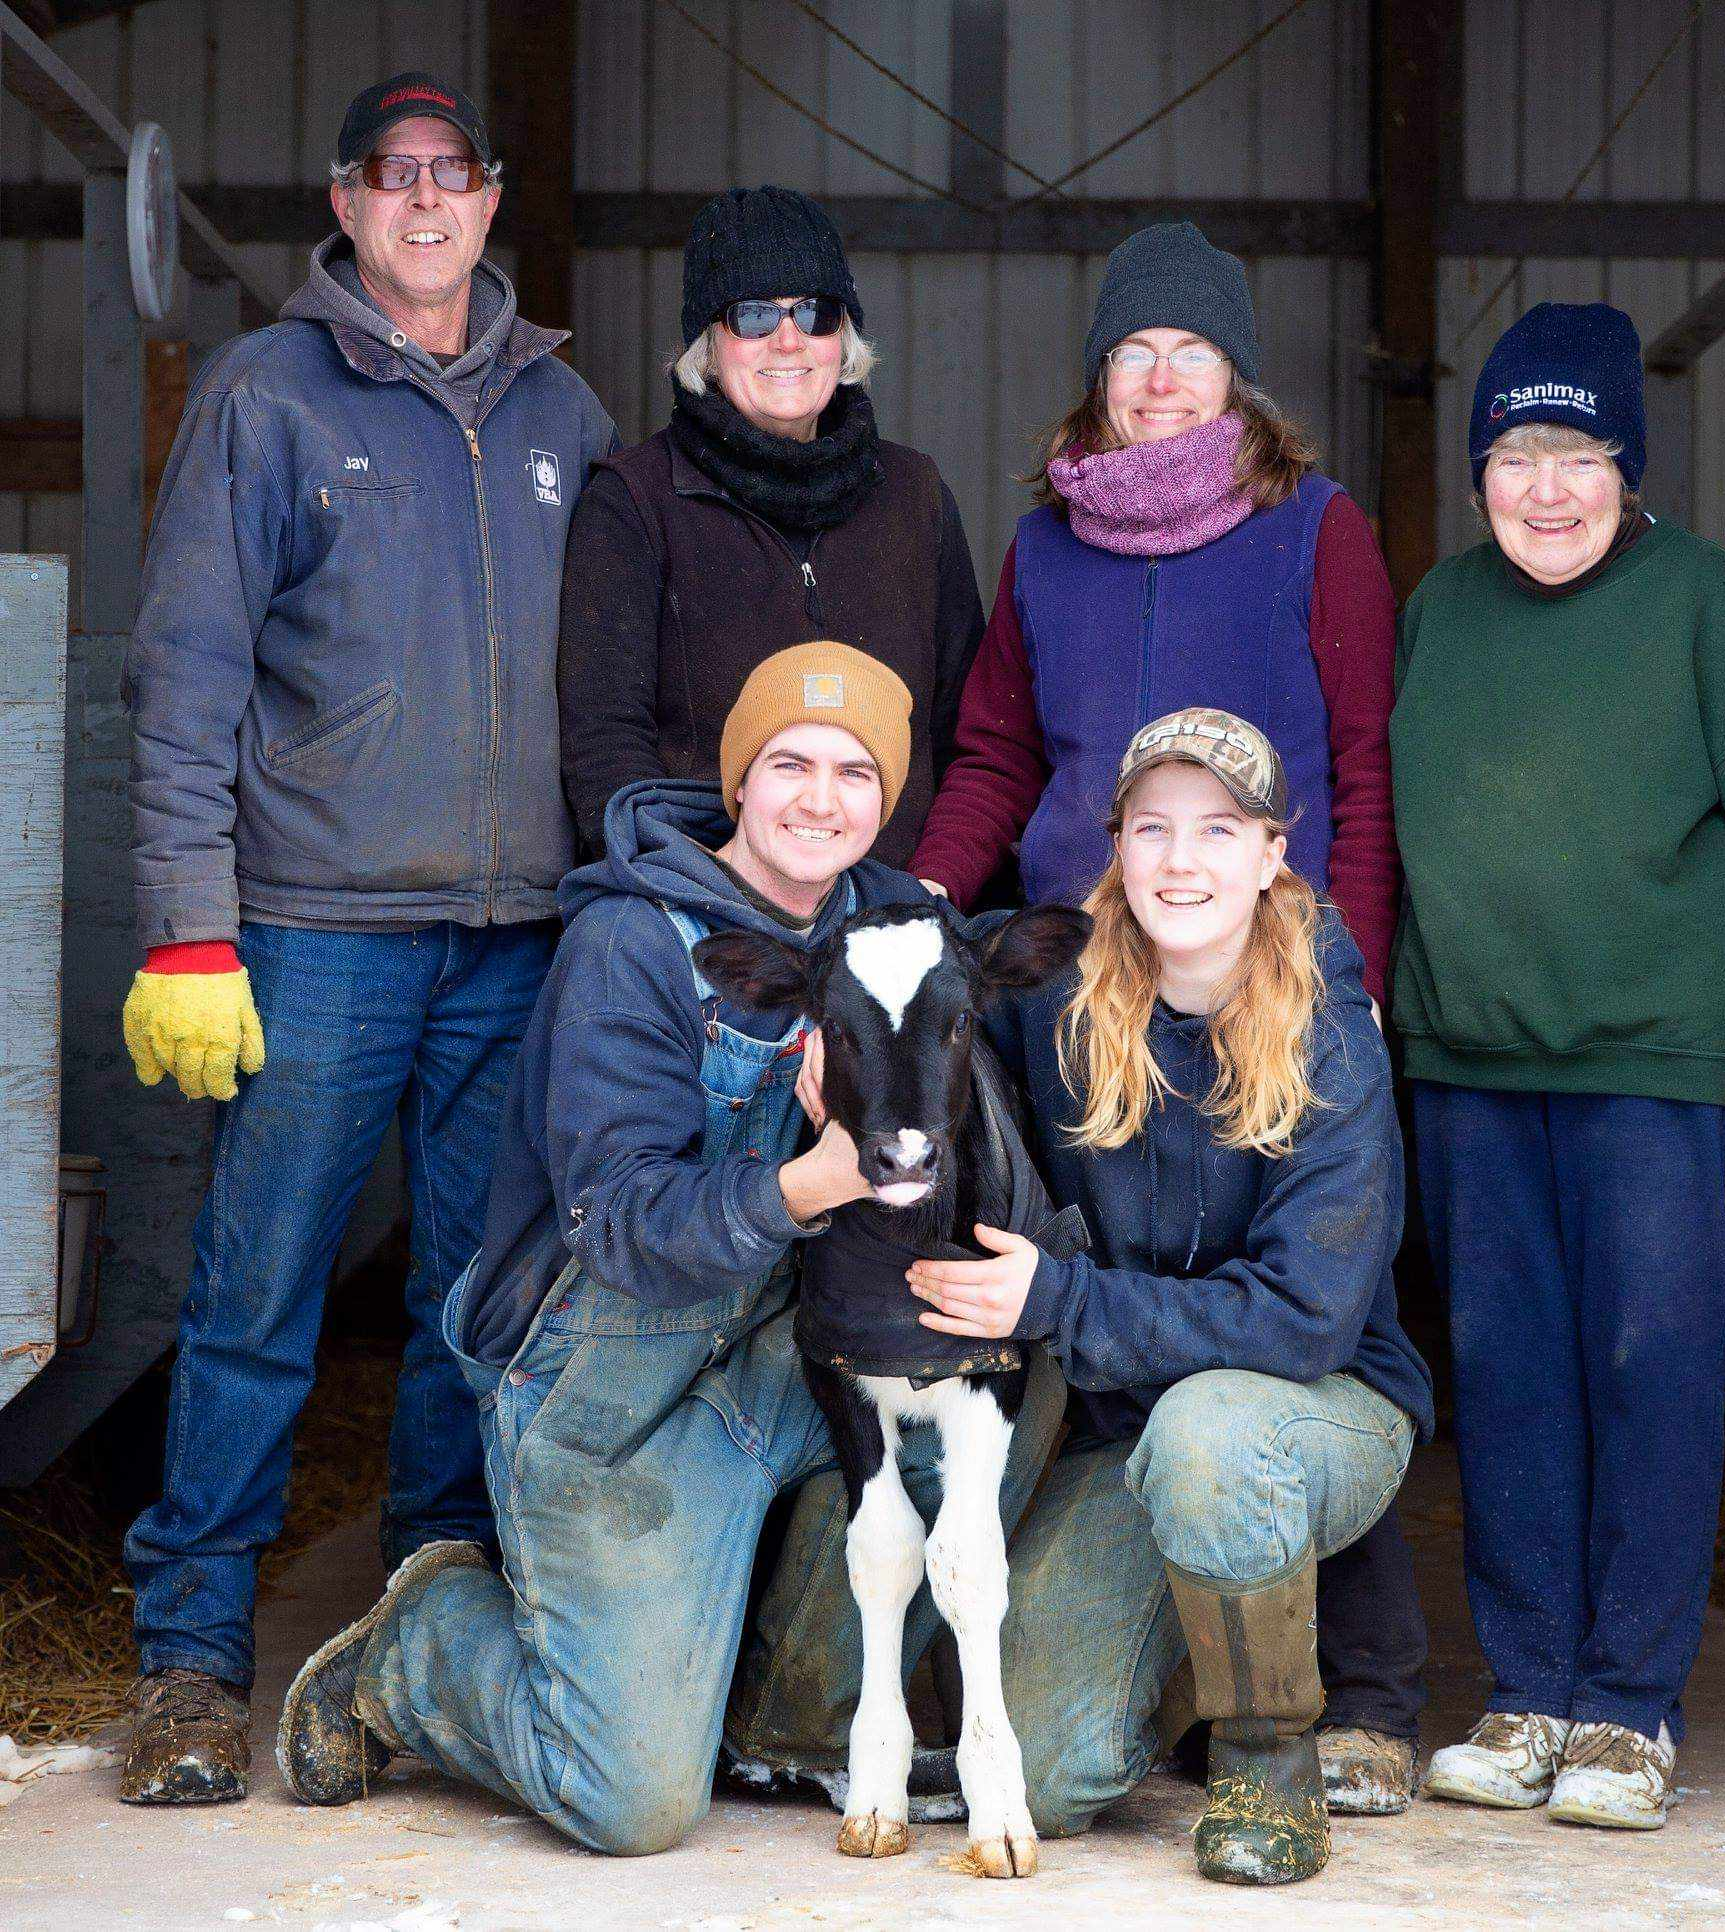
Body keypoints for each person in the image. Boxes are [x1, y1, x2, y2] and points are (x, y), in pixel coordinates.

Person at [276, 644, 1066, 1855]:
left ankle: (798, 1724)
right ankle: (420, 1645)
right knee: (630, 1802)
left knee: (1015, 1361)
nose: (820, 798)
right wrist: (818, 1175)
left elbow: (982, 1135)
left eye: (857, 771)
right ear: (738, 780)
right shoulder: (632, 945)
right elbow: (624, 1223)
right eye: (789, 763)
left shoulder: (897, 933)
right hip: (612, 1395)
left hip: (795, 1355)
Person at [115, 71, 615, 1805]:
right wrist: (191, 925)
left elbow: (618, 684)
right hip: (317, 924)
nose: (423, 203)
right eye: (390, 176)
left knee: (476, 1307)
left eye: (453, 174)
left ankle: (412, 1640)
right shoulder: (266, 393)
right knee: (258, 1295)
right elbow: (183, 677)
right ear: (345, 201)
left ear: (490, 200)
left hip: (520, 933)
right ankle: (189, 1658)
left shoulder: (568, 412)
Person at [906, 218, 1429, 1811]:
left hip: (1273, 959)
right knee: (1119, 1250)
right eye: (1128, 351)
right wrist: (918, 913)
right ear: (1098, 378)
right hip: (1092, 971)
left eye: (1186, 348)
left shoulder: (1313, 529)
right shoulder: (1045, 546)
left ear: (1235, 373)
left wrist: (1354, 975)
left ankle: (1373, 1690)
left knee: (1297, 1304)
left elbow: (1360, 758)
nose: (1154, 376)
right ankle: (1148, 1654)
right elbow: (997, 753)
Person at [792, 707, 1429, 1885]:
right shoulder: (1059, 994)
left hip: (1309, 1411)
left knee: (1212, 1437)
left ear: (1273, 853)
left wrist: (1058, 1305)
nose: (1182, 862)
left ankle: (1266, 1763)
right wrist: (846, 1033)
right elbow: (925, 967)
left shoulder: (1333, 1035)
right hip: (1120, 1429)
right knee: (1058, 1767)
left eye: (1219, 831)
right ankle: (1189, 1656)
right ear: (1118, 851)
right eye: (1152, 830)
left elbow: (1304, 1318)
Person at [1398, 302, 1725, 1830]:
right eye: (1516, 454)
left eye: (1579, 454)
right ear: (1479, 472)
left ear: (1629, 466)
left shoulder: (1710, 611)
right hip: (1472, 1071)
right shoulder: (1439, 614)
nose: (1548, 489)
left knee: (1650, 1385)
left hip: (1658, 1075)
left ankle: (1628, 1710)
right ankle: (1530, 1691)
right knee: (1512, 1390)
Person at [556, 185, 984, 870]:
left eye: (815, 313)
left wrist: (931, 890)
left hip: (890, 922)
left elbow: (968, 732)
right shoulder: (633, 502)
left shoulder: (916, 496)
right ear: (707, 342)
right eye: (752, 315)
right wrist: (695, 898)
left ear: (842, 337)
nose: (788, 340)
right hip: (710, 924)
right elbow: (604, 744)